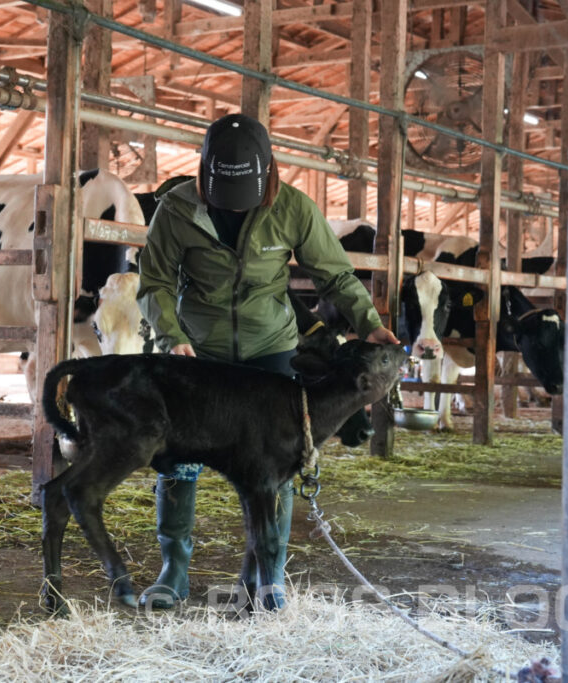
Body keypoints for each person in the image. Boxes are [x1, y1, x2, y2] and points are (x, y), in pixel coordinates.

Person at [136, 113, 399, 609]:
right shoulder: (175, 209)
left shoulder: (294, 208)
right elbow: (154, 283)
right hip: (199, 351)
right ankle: (174, 568)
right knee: (177, 460)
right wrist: (171, 338)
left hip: (270, 350)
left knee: (276, 466)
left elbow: (336, 277)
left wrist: (368, 323)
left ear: (268, 173)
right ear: (204, 173)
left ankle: (267, 575)